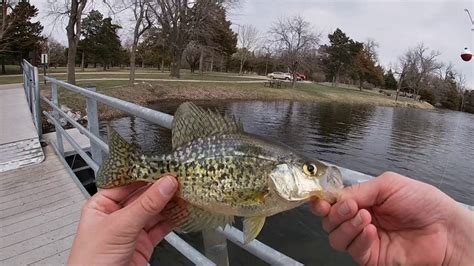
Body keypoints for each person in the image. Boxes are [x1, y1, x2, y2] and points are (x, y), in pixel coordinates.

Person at [68, 172, 474, 265]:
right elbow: (251, 205)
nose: (317, 178)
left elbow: (252, 209)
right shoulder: (266, 195)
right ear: (284, 174)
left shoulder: (271, 196)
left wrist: (455, 241)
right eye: (310, 171)